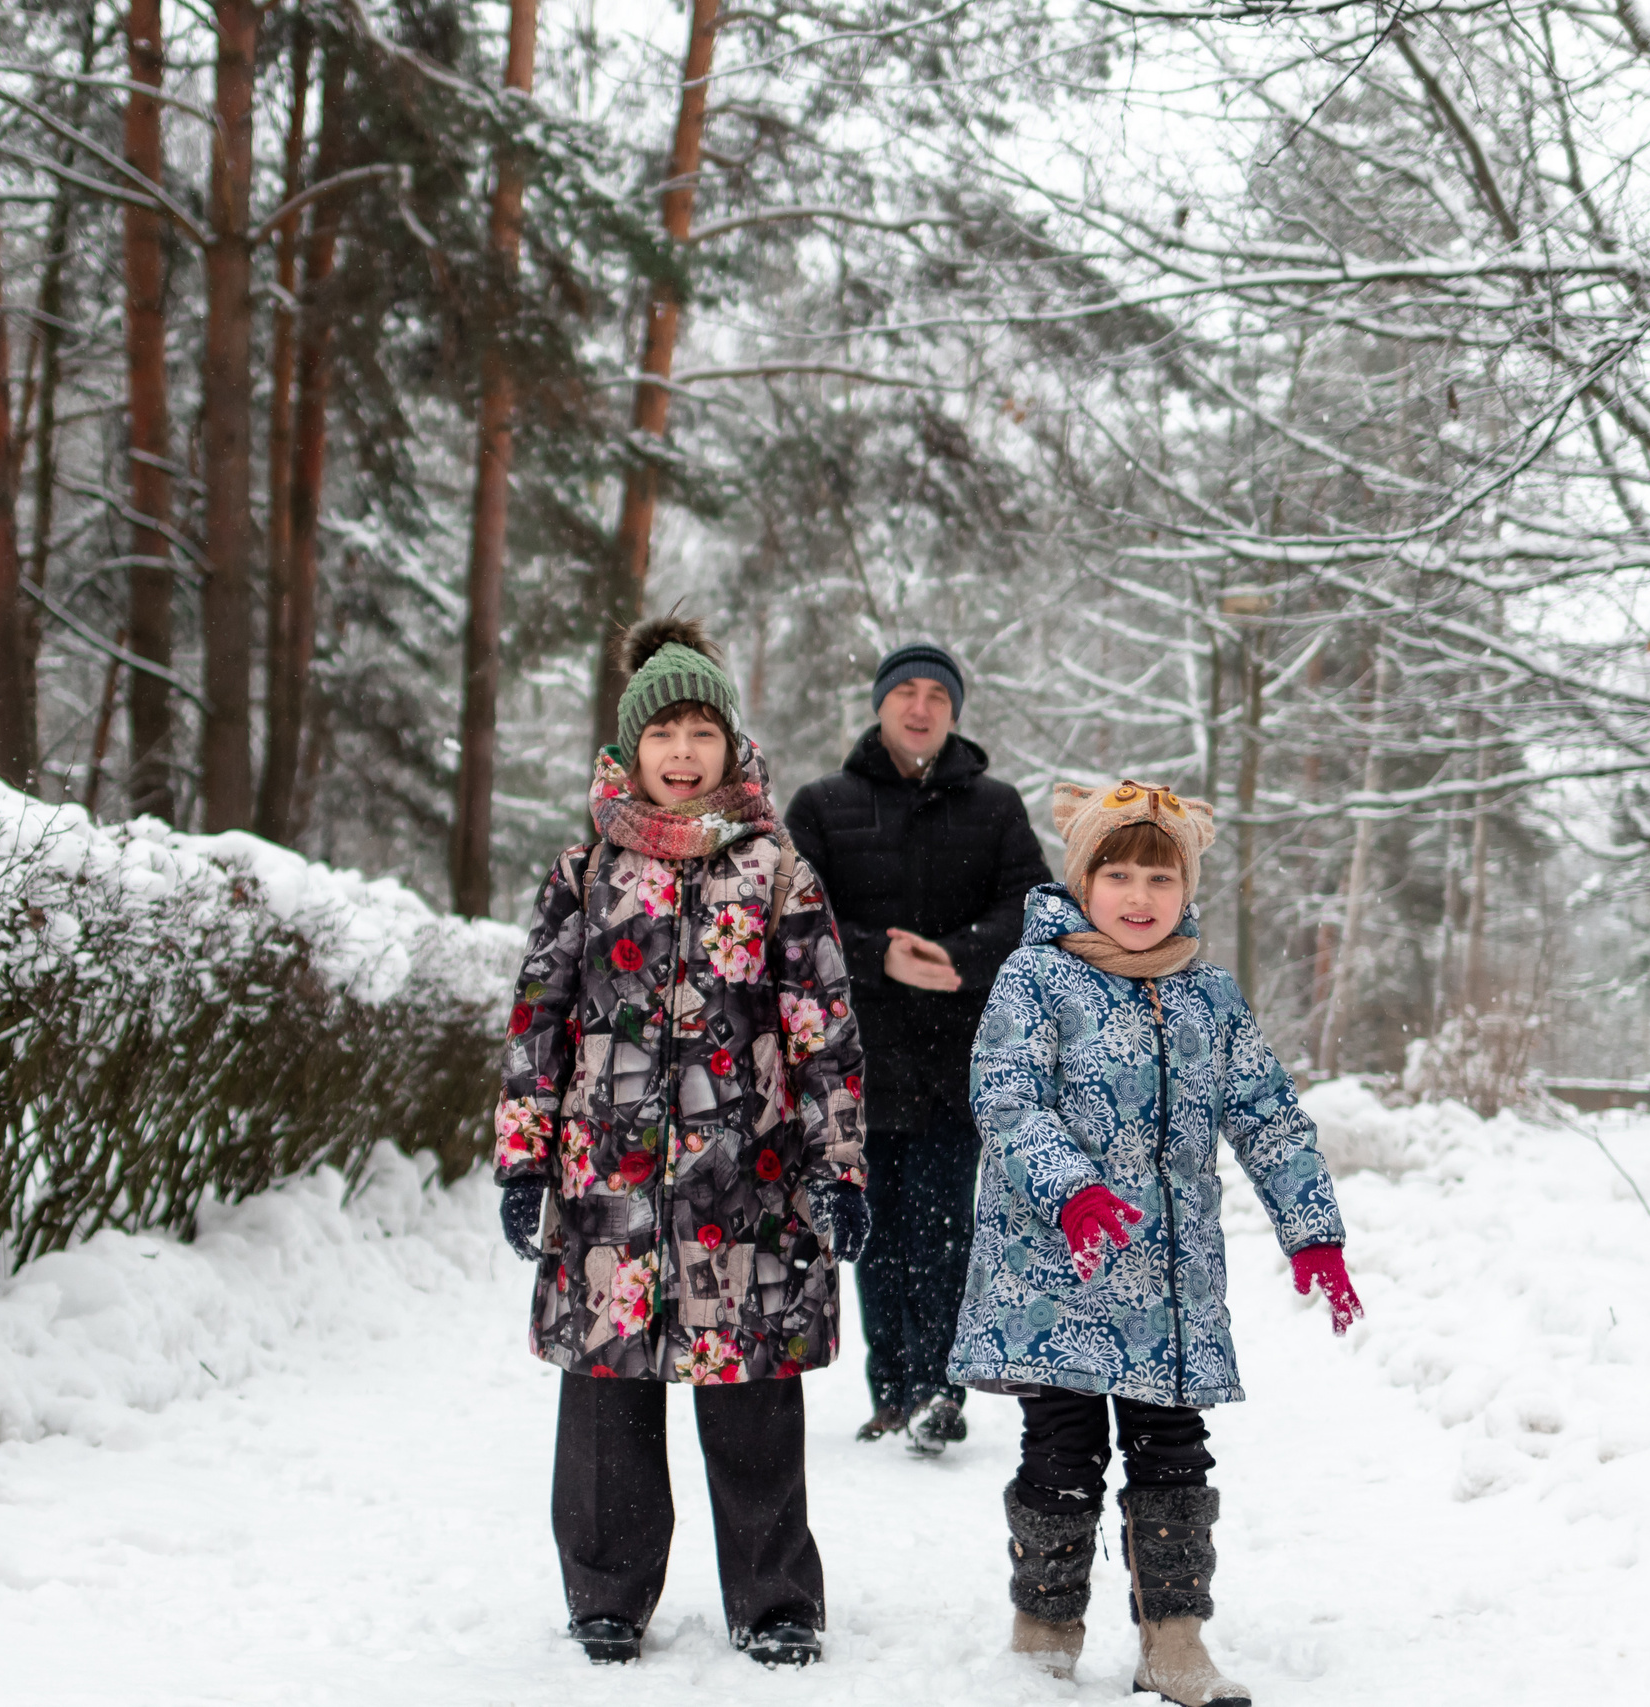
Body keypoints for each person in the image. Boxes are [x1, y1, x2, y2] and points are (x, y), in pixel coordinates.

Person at [491, 616, 869, 1670]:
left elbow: (823, 1031)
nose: (683, 753)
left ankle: (775, 1597)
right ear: (629, 750)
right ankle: (607, 1590)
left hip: (745, 1180)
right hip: (605, 1179)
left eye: (702, 731)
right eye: (664, 734)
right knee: (608, 1393)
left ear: (729, 747)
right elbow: (538, 1024)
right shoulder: (584, 871)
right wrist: (523, 1160)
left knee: (750, 1389)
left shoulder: (776, 872)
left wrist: (836, 1167)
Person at [946, 780, 1364, 1704]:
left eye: (1161, 876)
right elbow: (1007, 1097)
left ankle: (1174, 1640)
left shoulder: (1209, 995)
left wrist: (1313, 1232)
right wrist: (1073, 1191)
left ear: (1187, 888)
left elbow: (1269, 1117)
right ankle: (1045, 1631)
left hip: (1169, 1284)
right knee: (1060, 1451)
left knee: (1175, 1449)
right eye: (1119, 873)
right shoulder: (1038, 976)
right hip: (1057, 1272)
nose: (1140, 895)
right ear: (1084, 879)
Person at [785, 641, 1049, 1455]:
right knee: (877, 1228)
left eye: (939, 694)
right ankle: (891, 1390)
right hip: (853, 1059)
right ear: (880, 705)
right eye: (907, 692)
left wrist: (961, 957)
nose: (922, 707)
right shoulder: (823, 805)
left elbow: (1030, 907)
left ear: (956, 712)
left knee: (946, 1226)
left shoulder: (997, 806)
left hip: (957, 1055)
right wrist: (878, 955)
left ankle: (941, 1387)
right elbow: (791, 915)